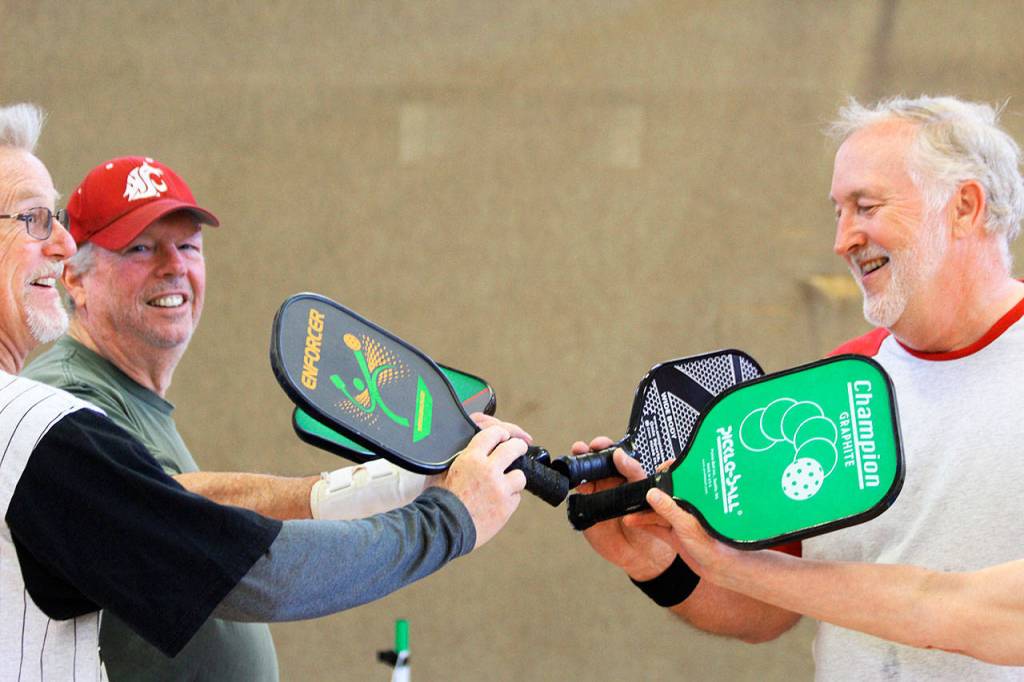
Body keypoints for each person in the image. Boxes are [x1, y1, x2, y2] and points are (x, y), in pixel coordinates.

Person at [0, 102, 528, 680]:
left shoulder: (66, 416)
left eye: (188, 246)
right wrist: (448, 519)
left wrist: (395, 484)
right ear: (79, 279)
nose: (58, 243)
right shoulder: (43, 415)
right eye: (141, 248)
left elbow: (166, 506)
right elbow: (200, 536)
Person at [574, 95, 1024, 679]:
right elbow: (771, 607)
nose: (843, 240)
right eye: (837, 212)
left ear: (964, 207)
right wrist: (657, 562)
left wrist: (736, 567)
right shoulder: (843, 376)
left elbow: (979, 613)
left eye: (865, 206)